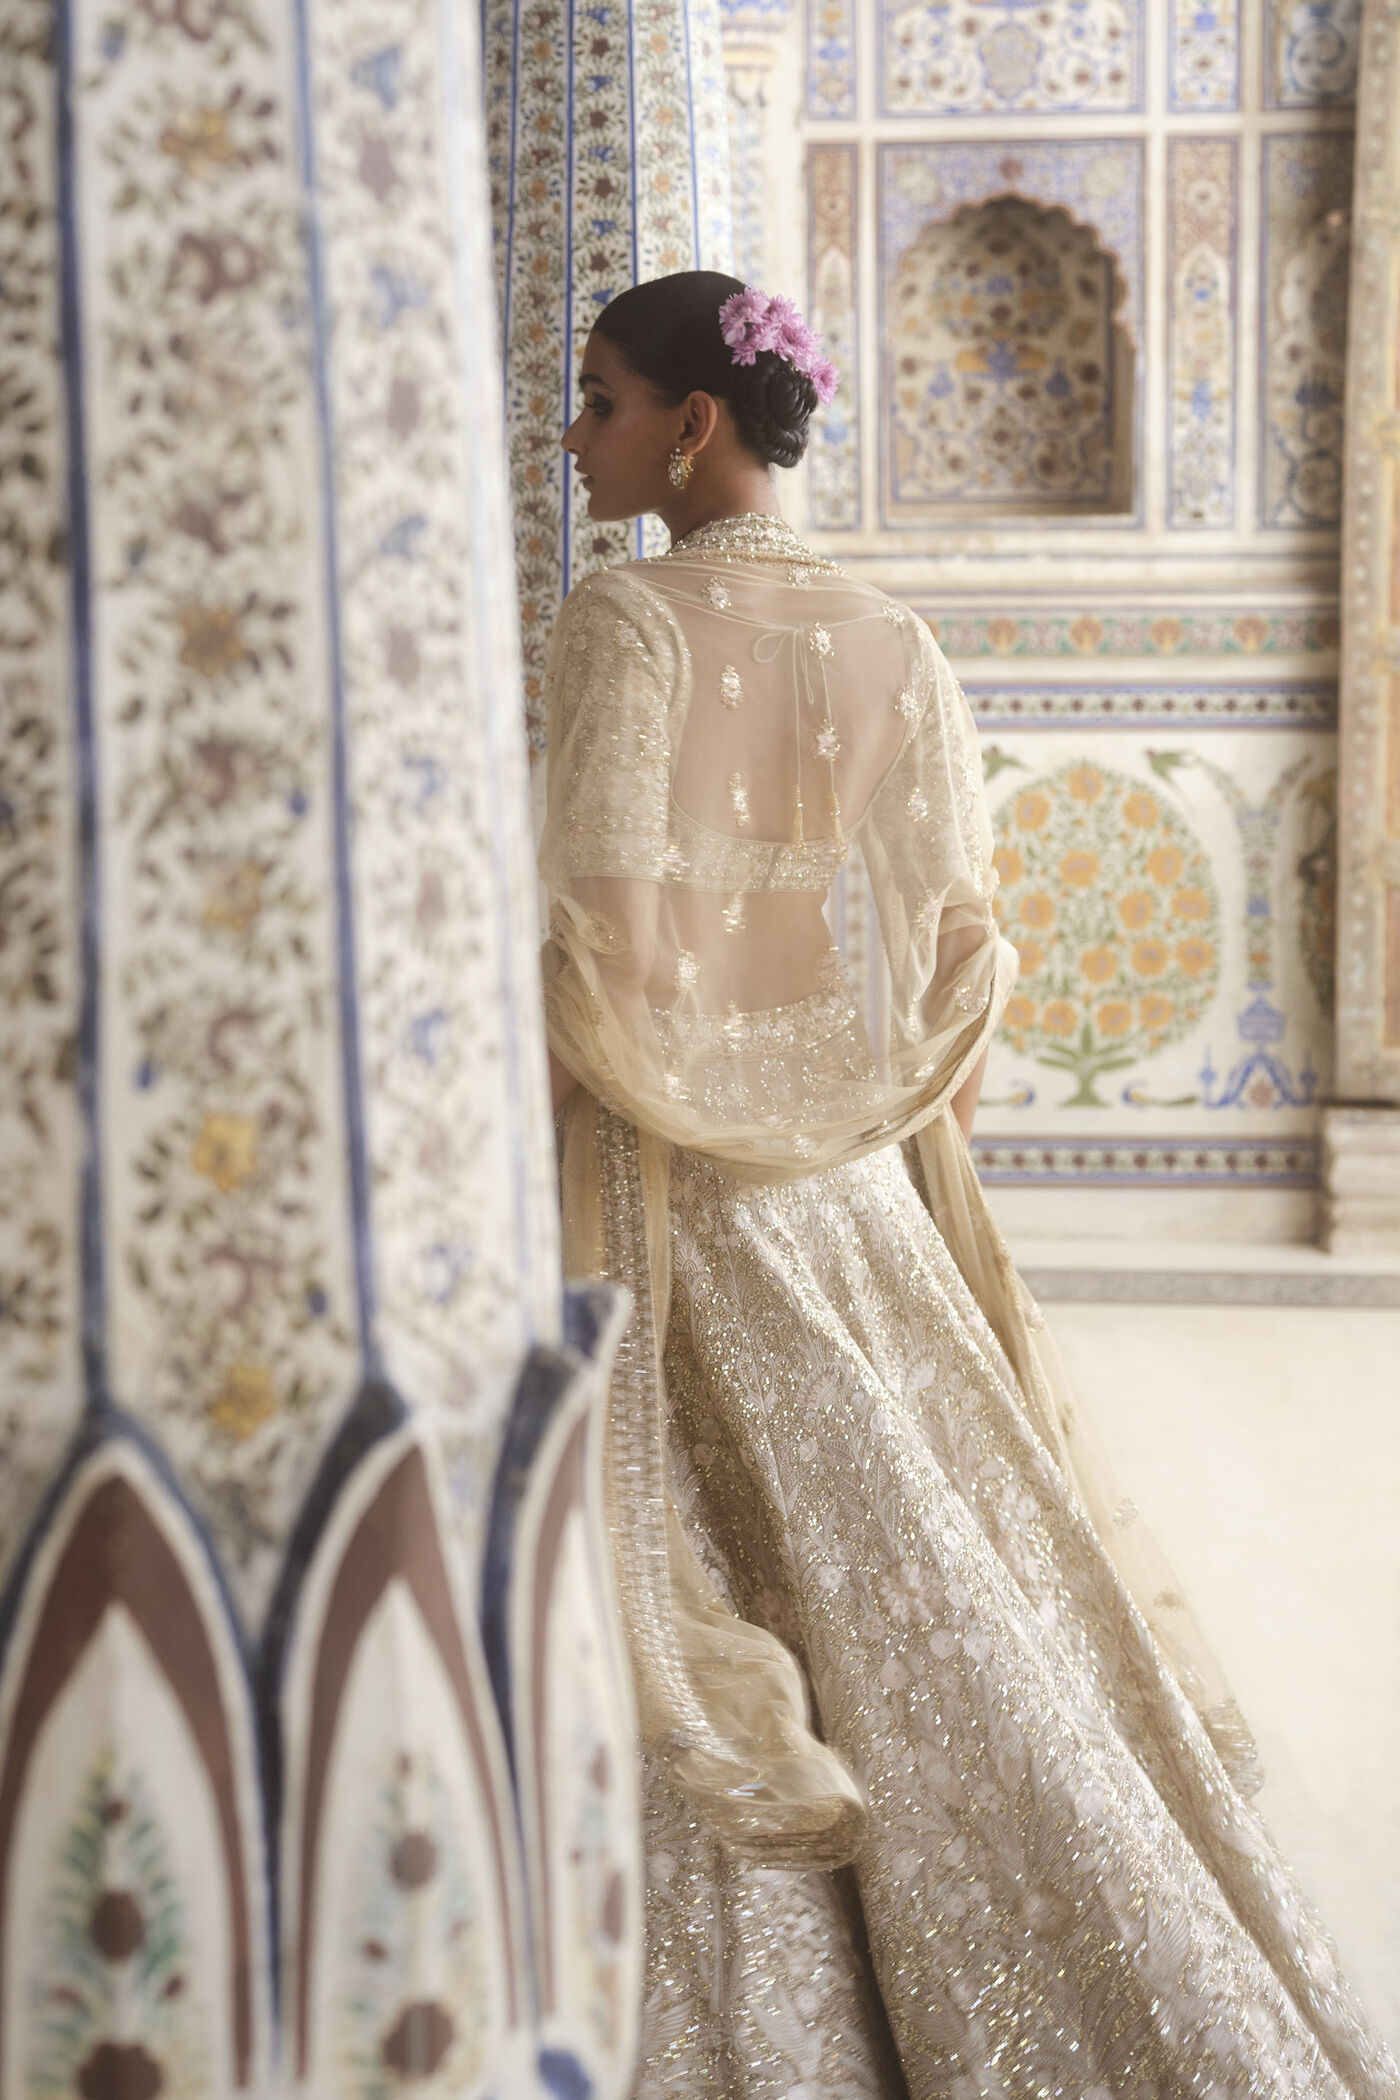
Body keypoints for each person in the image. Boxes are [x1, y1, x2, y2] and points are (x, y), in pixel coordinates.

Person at [540, 269, 1396, 2100]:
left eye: (599, 399)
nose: (574, 434)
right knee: (936, 1582)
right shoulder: (895, 638)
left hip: (662, 1160)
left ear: (694, 426)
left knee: (706, 1569)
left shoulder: (623, 620)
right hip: (846, 1180)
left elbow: (611, 954)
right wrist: (897, 1155)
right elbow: (959, 952)